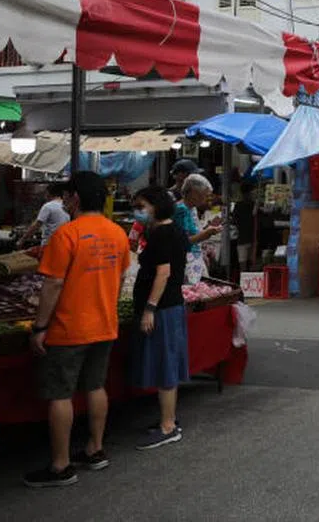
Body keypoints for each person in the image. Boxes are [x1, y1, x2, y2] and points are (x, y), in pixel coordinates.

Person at [26, 172, 130, 488]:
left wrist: (40, 326)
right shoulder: (118, 233)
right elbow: (120, 279)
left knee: (61, 394)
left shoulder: (66, 235)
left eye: (67, 196)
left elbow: (53, 284)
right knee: (96, 386)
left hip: (69, 327)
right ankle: (95, 449)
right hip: (105, 325)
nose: (65, 201)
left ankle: (60, 466)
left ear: (76, 198)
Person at [129, 186, 190, 450]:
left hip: (163, 308)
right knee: (167, 361)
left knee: (165, 364)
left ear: (156, 206)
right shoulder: (171, 230)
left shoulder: (163, 234)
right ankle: (168, 419)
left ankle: (168, 426)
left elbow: (163, 273)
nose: (138, 212)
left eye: (142, 206)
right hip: (170, 305)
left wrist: (150, 309)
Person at [176, 174, 221, 284]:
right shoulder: (181, 210)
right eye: (204, 195)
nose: (206, 199)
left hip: (195, 259)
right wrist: (206, 234)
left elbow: (195, 234)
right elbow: (182, 241)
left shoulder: (192, 209)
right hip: (185, 262)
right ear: (194, 193)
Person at [20, 183, 69, 247]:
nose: (45, 195)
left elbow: (36, 225)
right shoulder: (67, 205)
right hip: (64, 243)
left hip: (49, 244)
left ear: (49, 193)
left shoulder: (48, 206)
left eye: (46, 193)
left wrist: (22, 240)